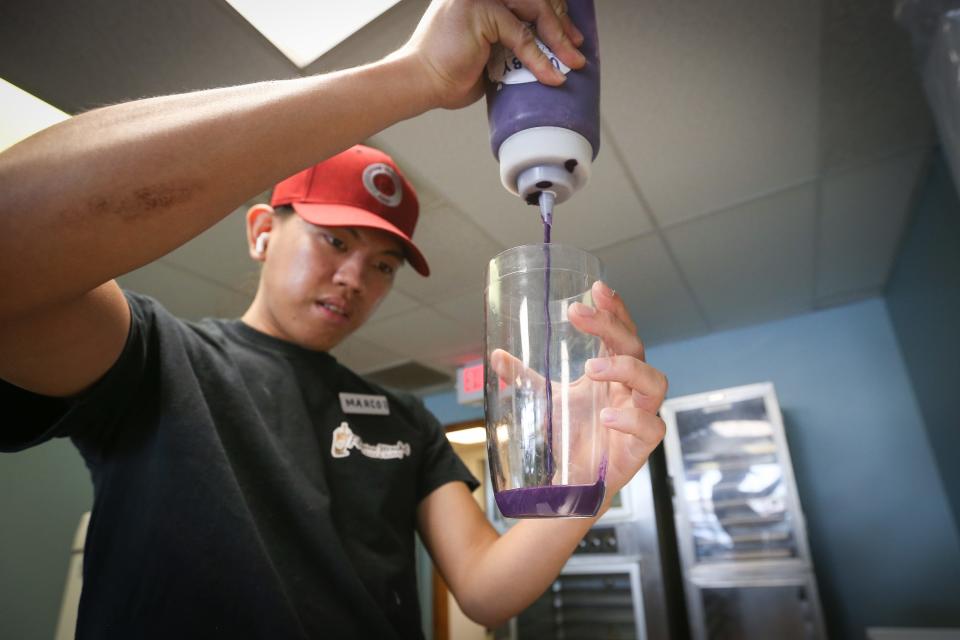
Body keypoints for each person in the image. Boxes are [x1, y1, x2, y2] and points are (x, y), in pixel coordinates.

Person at [0, 0, 669, 638]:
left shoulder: (405, 420)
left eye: (384, 265)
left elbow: (486, 588)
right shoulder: (152, 358)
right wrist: (417, 76)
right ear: (262, 231)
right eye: (335, 241)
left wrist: (595, 476)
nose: (356, 278)